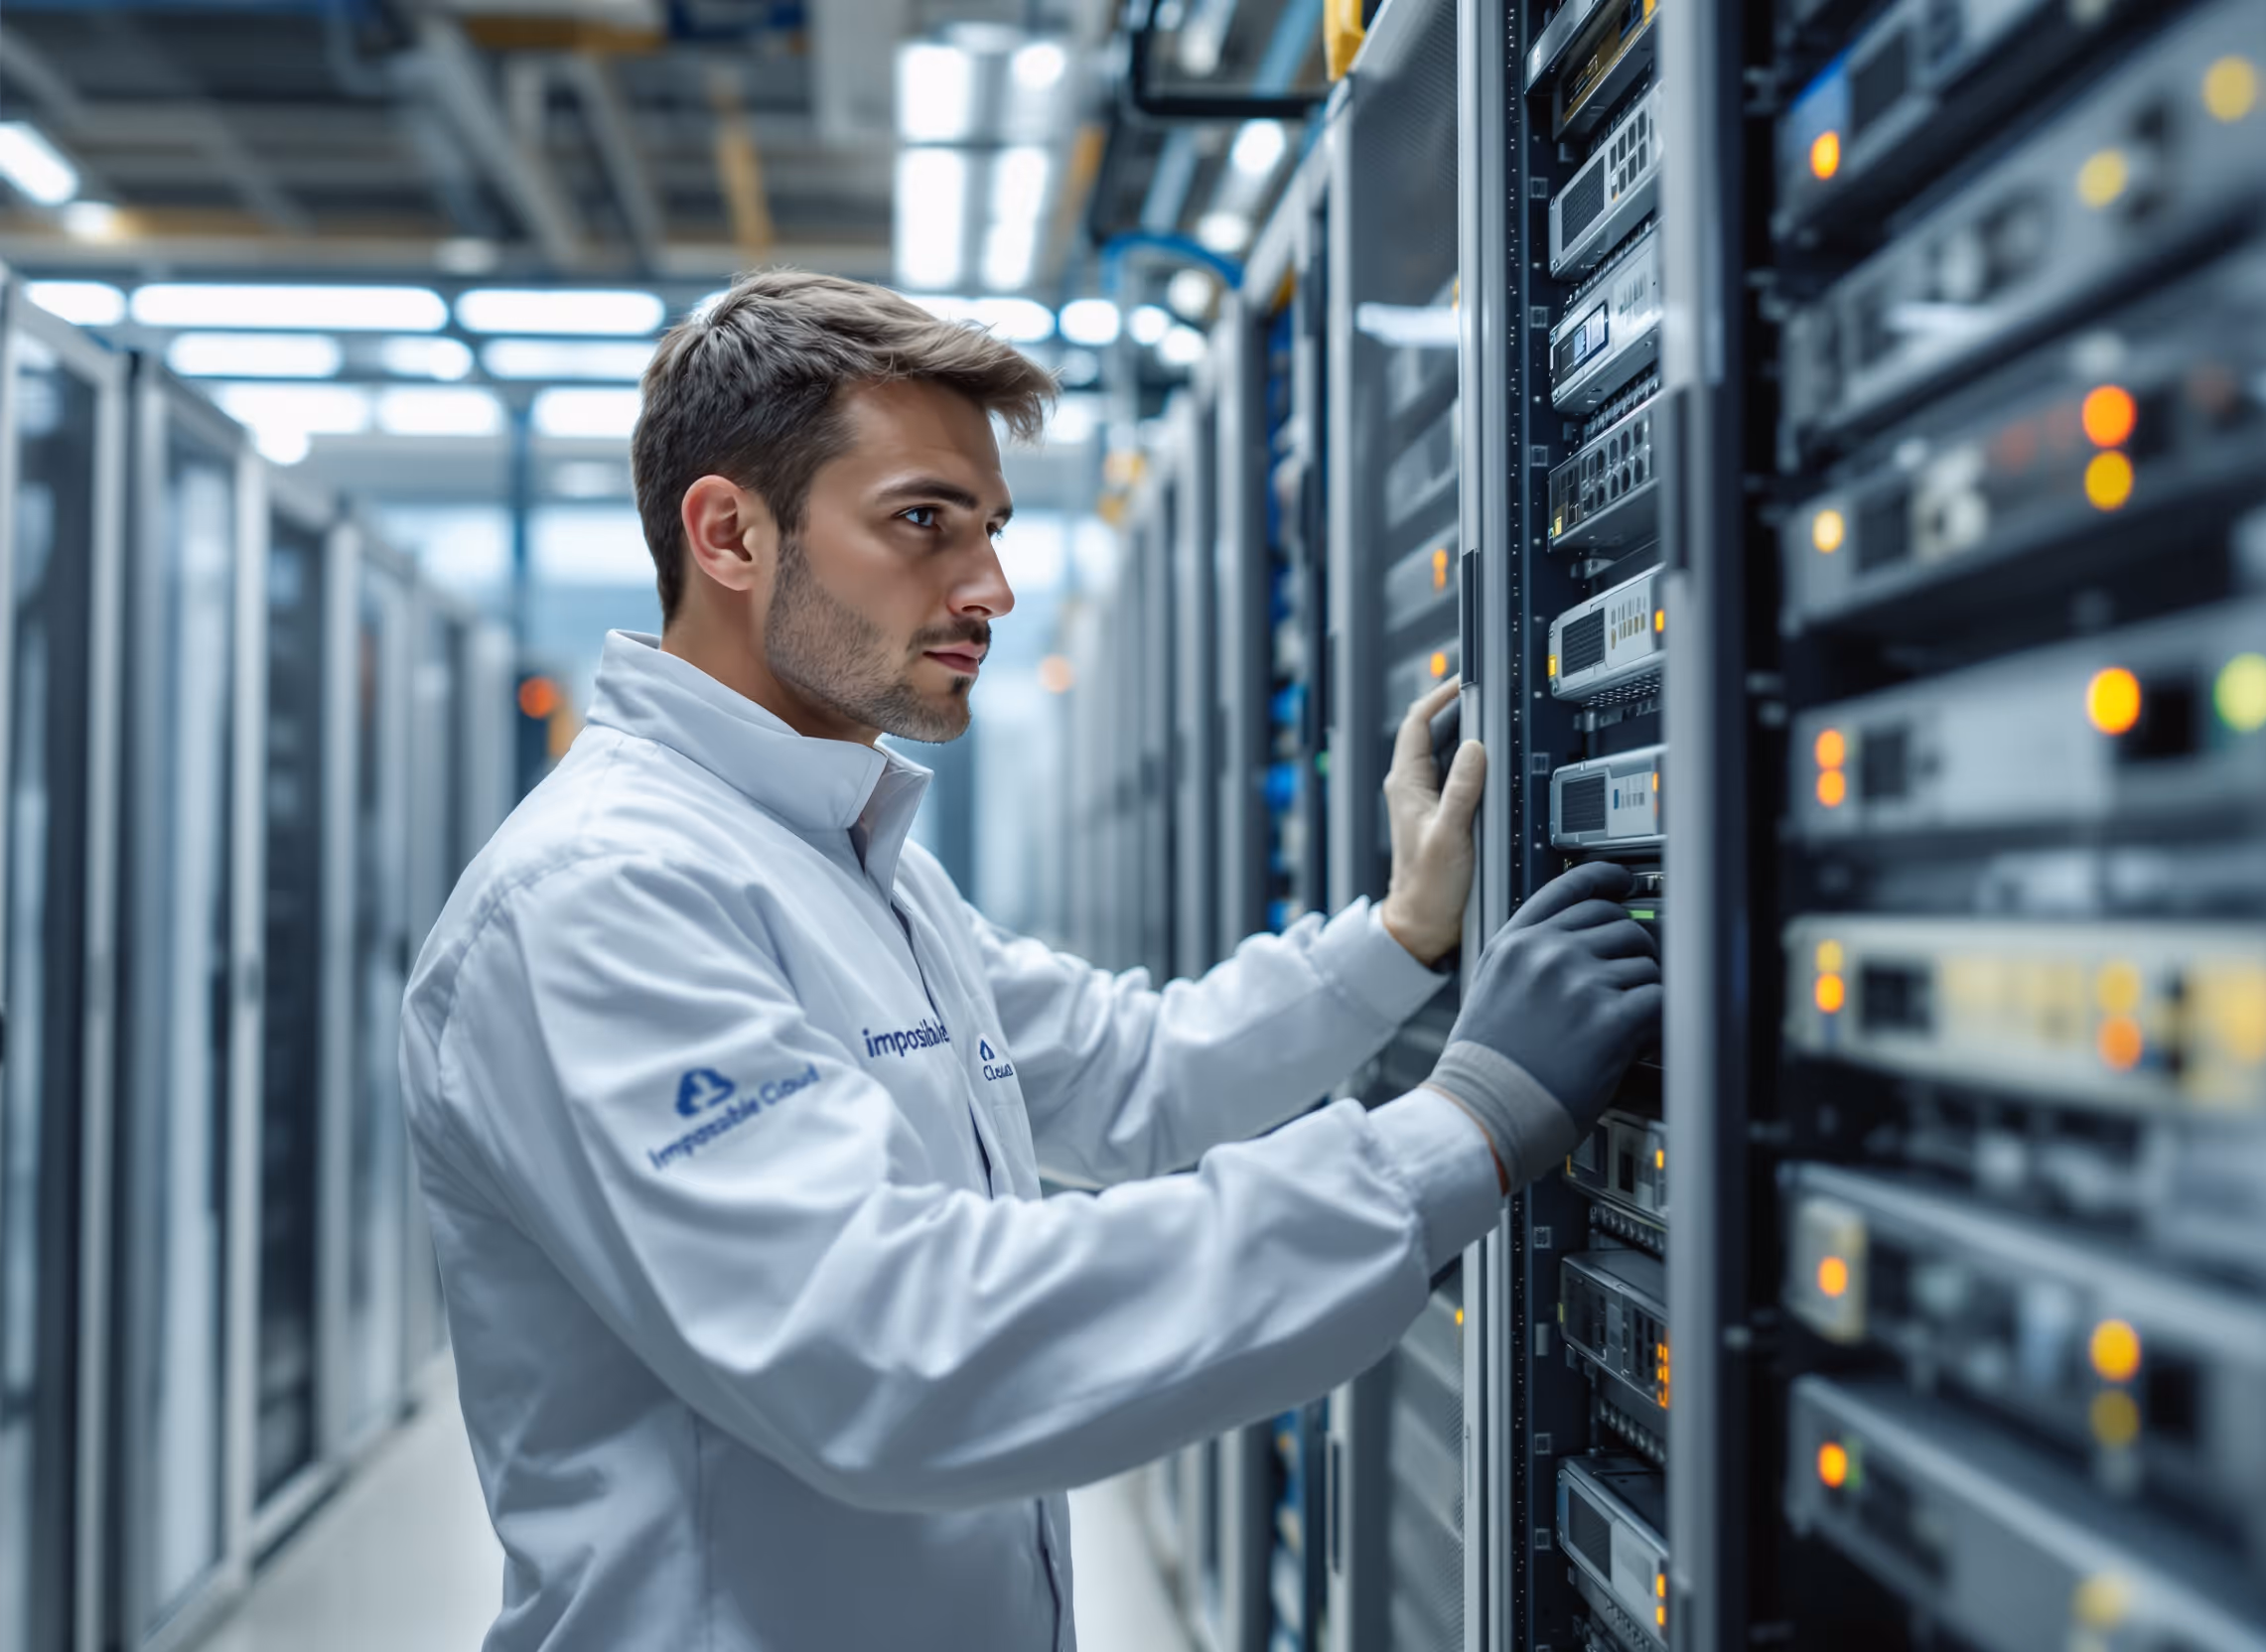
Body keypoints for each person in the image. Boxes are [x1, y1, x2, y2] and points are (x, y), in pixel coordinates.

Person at [400, 271, 1663, 1651]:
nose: (990, 586)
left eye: (990, 527)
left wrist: (1402, 936)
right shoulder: (603, 899)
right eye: (923, 523)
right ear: (730, 535)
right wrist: (1459, 1135)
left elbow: (1133, 1077)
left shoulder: (843, 853)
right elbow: (897, 1353)